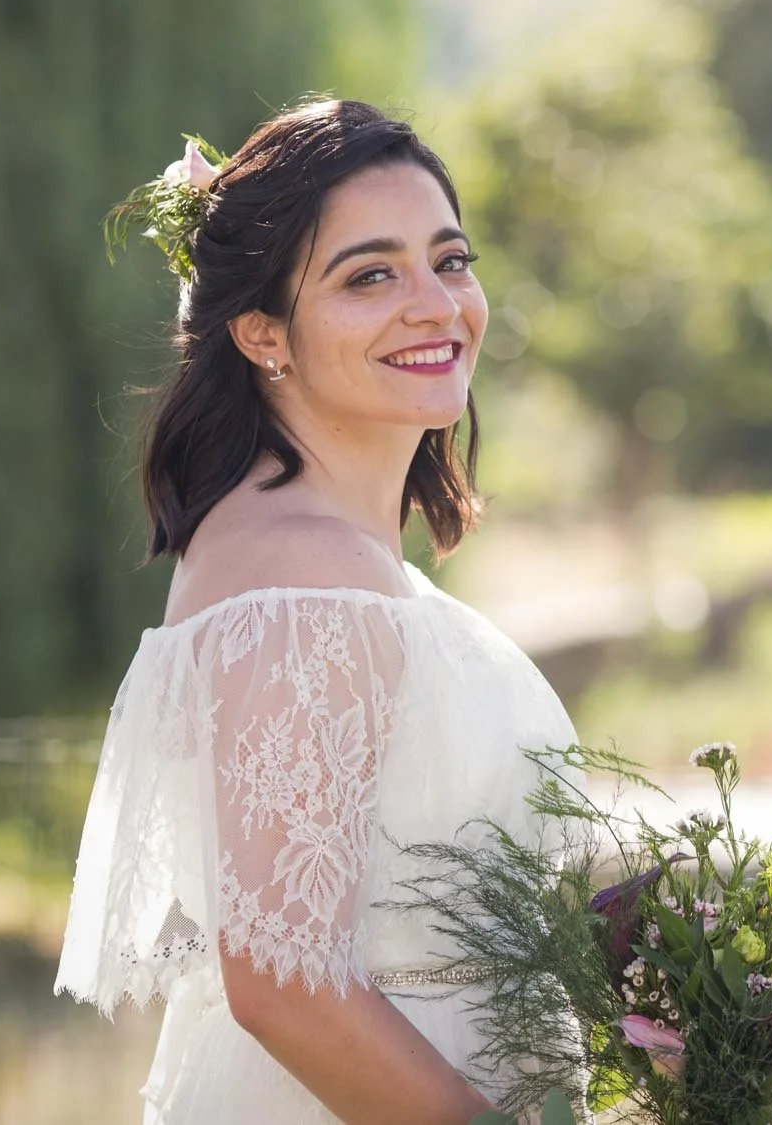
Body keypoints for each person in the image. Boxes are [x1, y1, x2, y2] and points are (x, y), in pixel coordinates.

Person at [55, 99, 577, 1124]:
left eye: (451, 259)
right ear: (261, 334)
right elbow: (282, 982)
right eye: (369, 275)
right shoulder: (299, 579)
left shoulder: (322, 553)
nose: (435, 303)